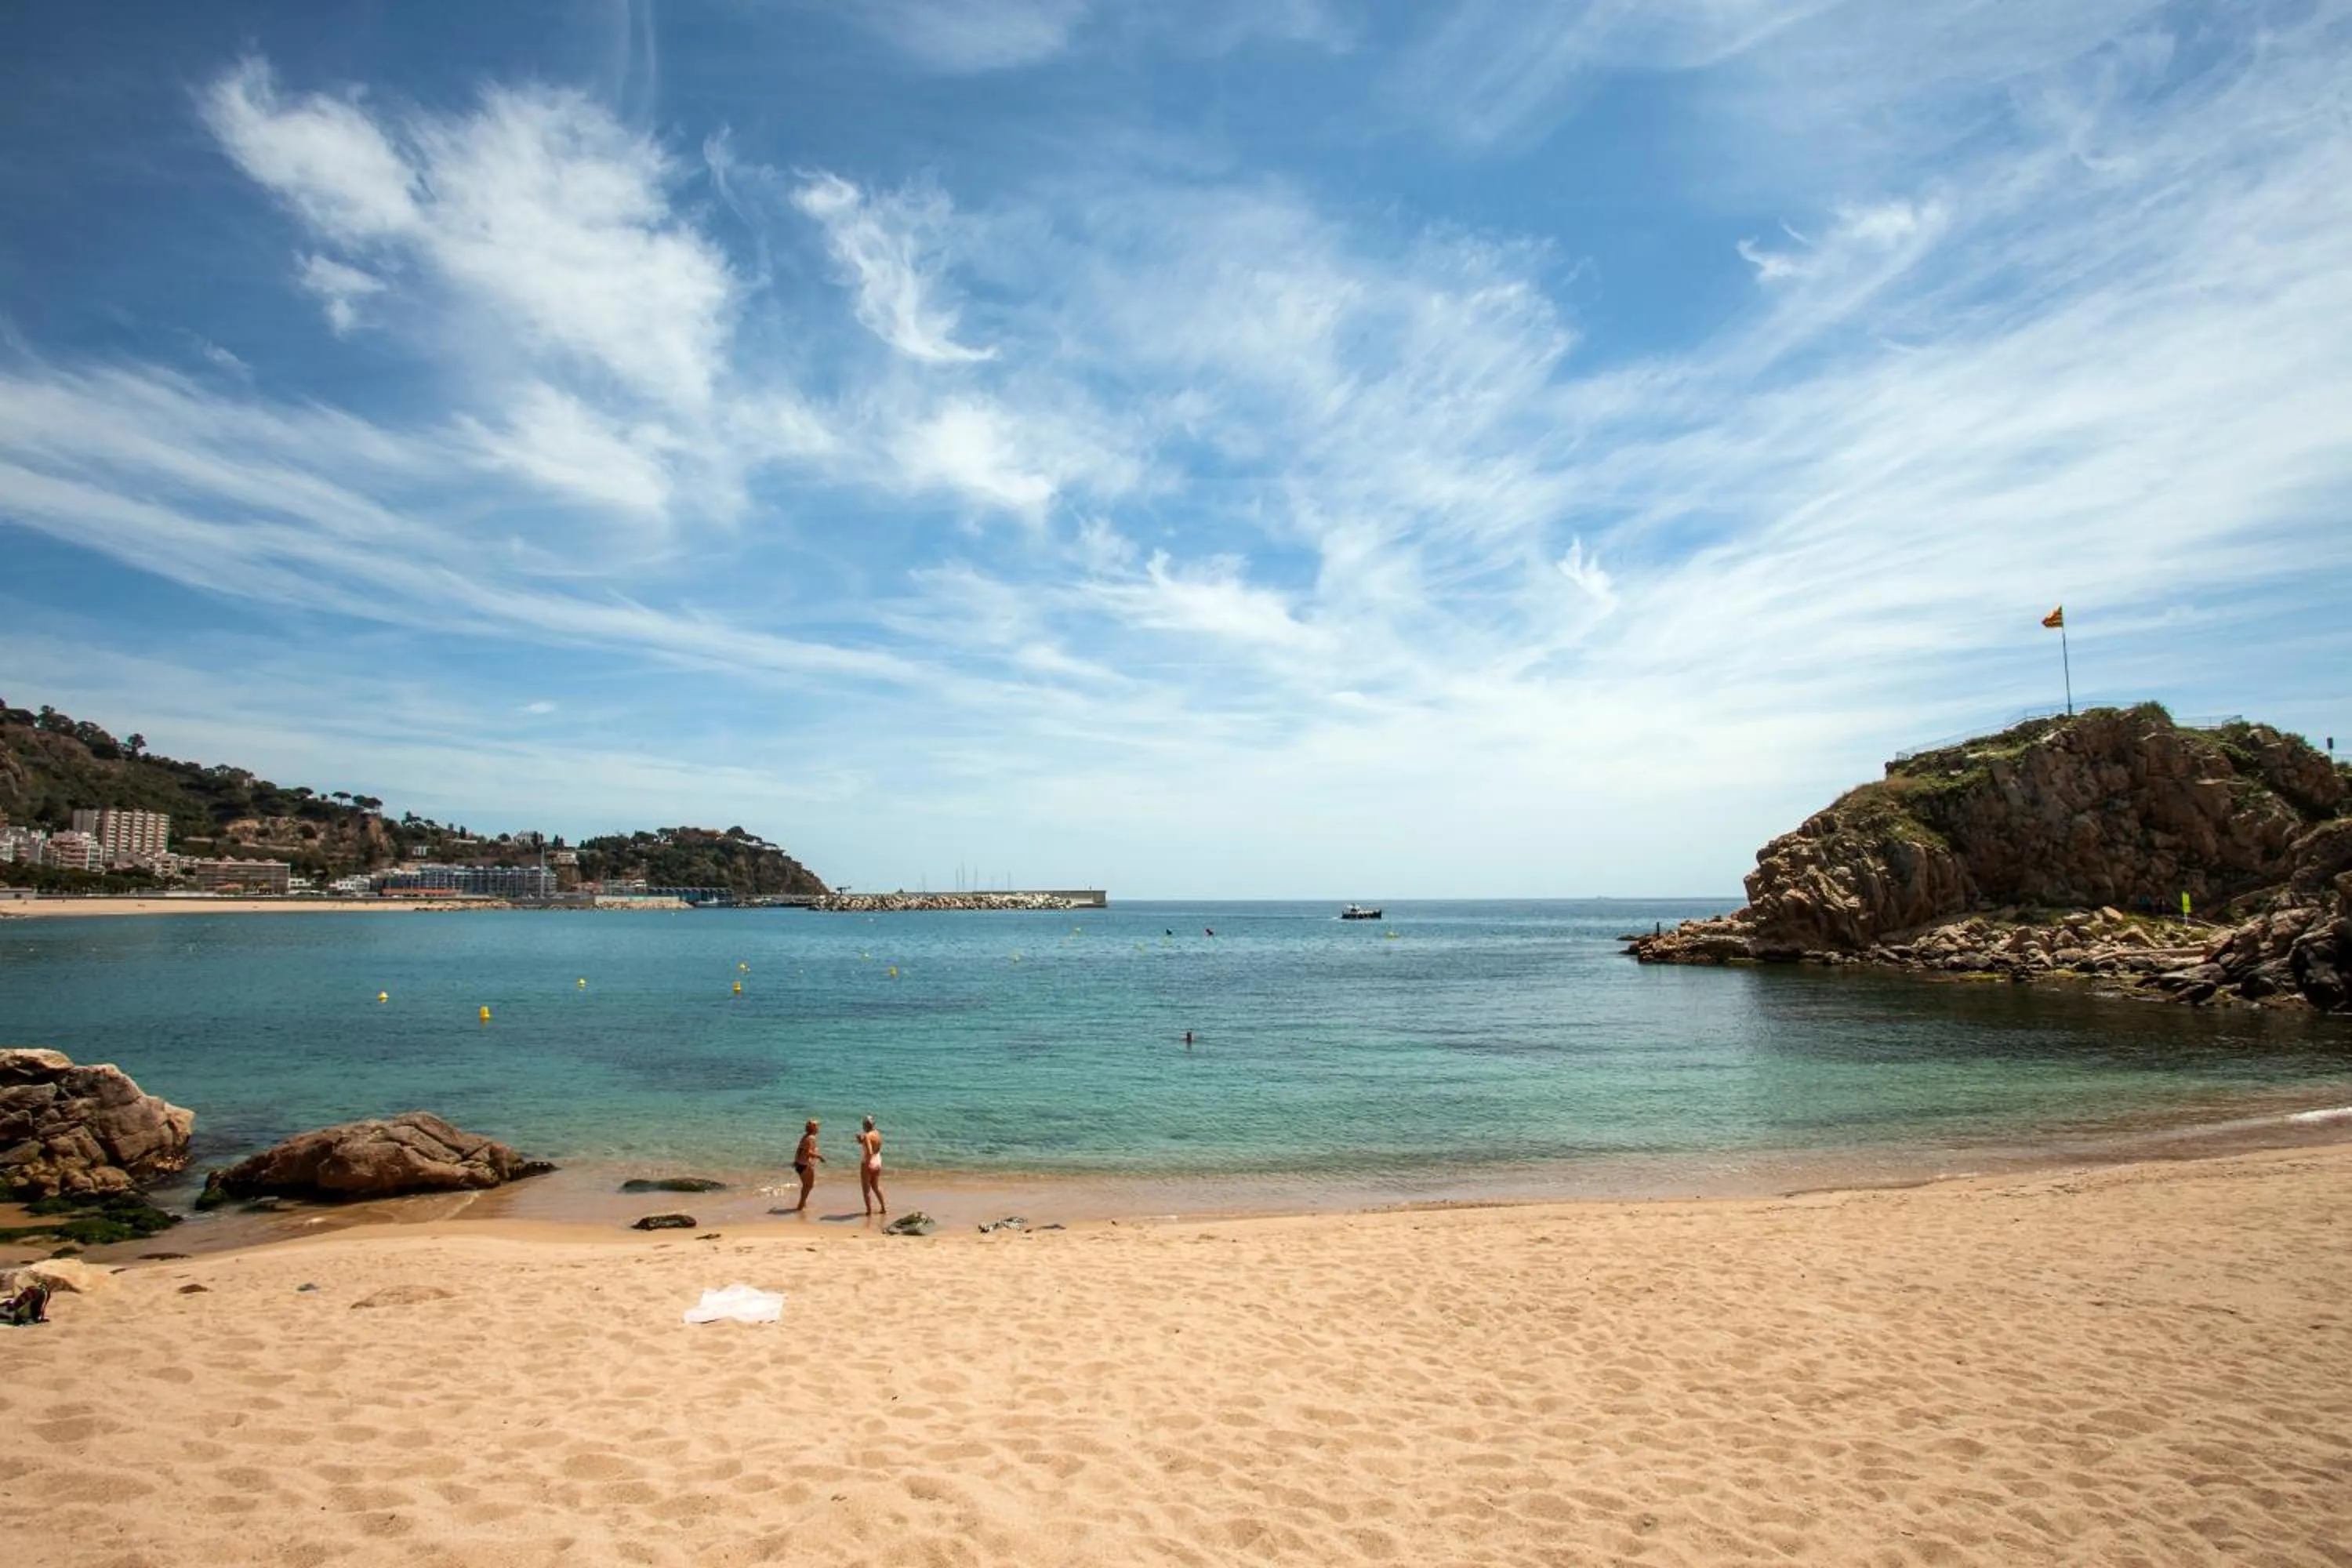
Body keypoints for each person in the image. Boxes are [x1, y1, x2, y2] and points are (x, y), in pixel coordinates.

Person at [789, 1119, 825, 1212]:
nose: (818, 1128)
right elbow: (808, 1153)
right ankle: (800, 1206)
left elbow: (799, 1150)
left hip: (799, 1164)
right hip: (805, 1165)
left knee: (805, 1185)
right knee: (809, 1186)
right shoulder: (812, 1138)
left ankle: (803, 1203)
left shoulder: (805, 1136)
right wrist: (820, 1157)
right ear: (814, 1128)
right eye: (817, 1126)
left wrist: (795, 1161)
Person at [857, 1115, 887, 1217]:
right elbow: (876, 1147)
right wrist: (861, 1141)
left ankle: (869, 1211)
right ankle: (883, 1207)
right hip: (878, 1160)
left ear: (865, 1125)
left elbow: (869, 1152)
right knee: (876, 1186)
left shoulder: (867, 1136)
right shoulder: (877, 1133)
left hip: (868, 1162)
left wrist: (868, 1164)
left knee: (866, 1189)